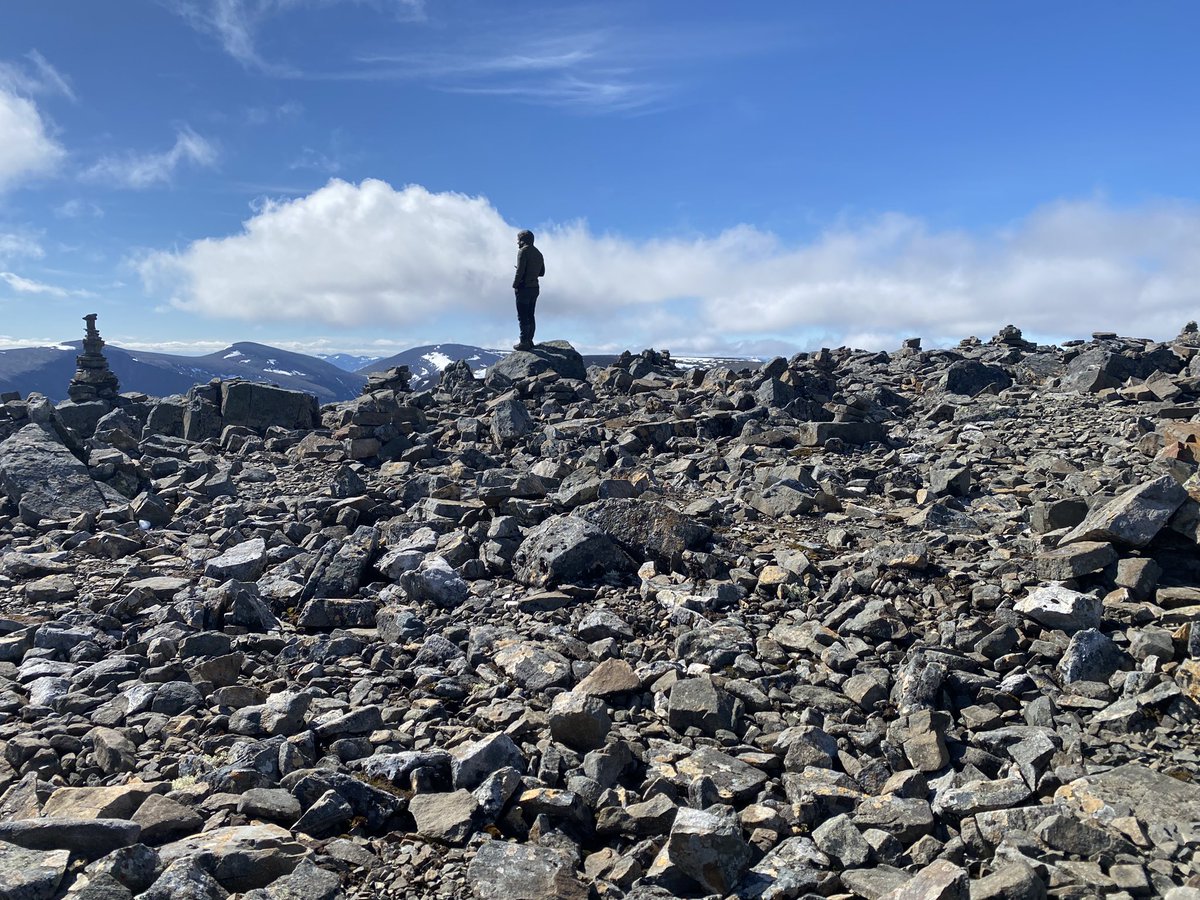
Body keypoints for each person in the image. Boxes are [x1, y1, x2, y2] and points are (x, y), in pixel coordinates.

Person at [512, 229, 545, 351]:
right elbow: (542, 273)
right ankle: (530, 340)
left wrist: (515, 284)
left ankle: (524, 341)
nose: (517, 243)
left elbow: (520, 271)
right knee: (531, 314)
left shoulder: (523, 251)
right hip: (535, 288)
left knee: (522, 315)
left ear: (523, 240)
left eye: (518, 240)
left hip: (524, 288)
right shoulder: (538, 253)